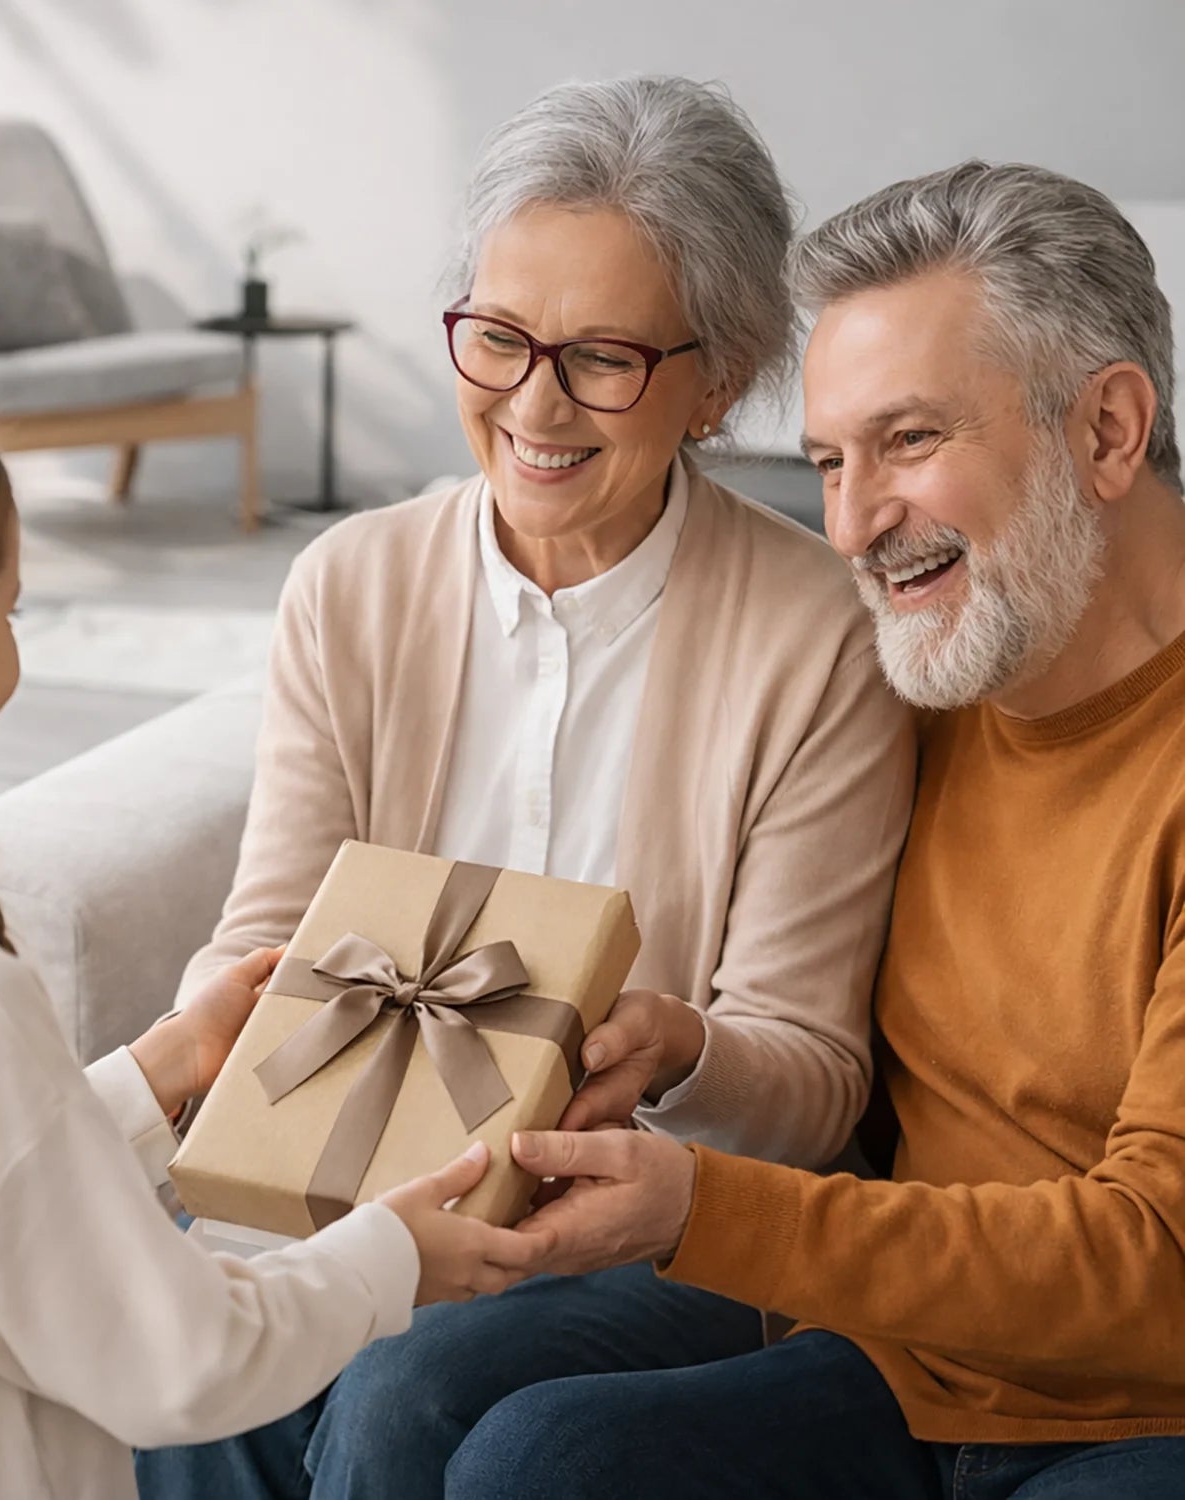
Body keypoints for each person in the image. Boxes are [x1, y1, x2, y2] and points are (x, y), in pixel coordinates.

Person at [136, 74, 913, 1500]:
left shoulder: (820, 635)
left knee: (400, 1390)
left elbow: (815, 1089)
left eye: (602, 357)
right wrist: (217, 1043)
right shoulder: (350, 587)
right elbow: (260, 934)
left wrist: (679, 1046)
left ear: (719, 377)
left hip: (664, 1224)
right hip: (350, 1178)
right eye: (497, 340)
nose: (533, 404)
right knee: (181, 1364)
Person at [0, 359, 552, 1500]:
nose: (16, 642)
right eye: (10, 608)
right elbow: (184, 1362)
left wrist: (158, 1072)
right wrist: (389, 1255)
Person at [446, 161, 1185, 1499]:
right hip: (904, 1365)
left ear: (1110, 431)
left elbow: (1163, 1260)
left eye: (909, 443)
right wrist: (680, 1048)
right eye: (830, 462)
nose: (849, 526)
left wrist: (701, 1207)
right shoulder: (936, 680)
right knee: (536, 1464)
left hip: (1151, 1408)